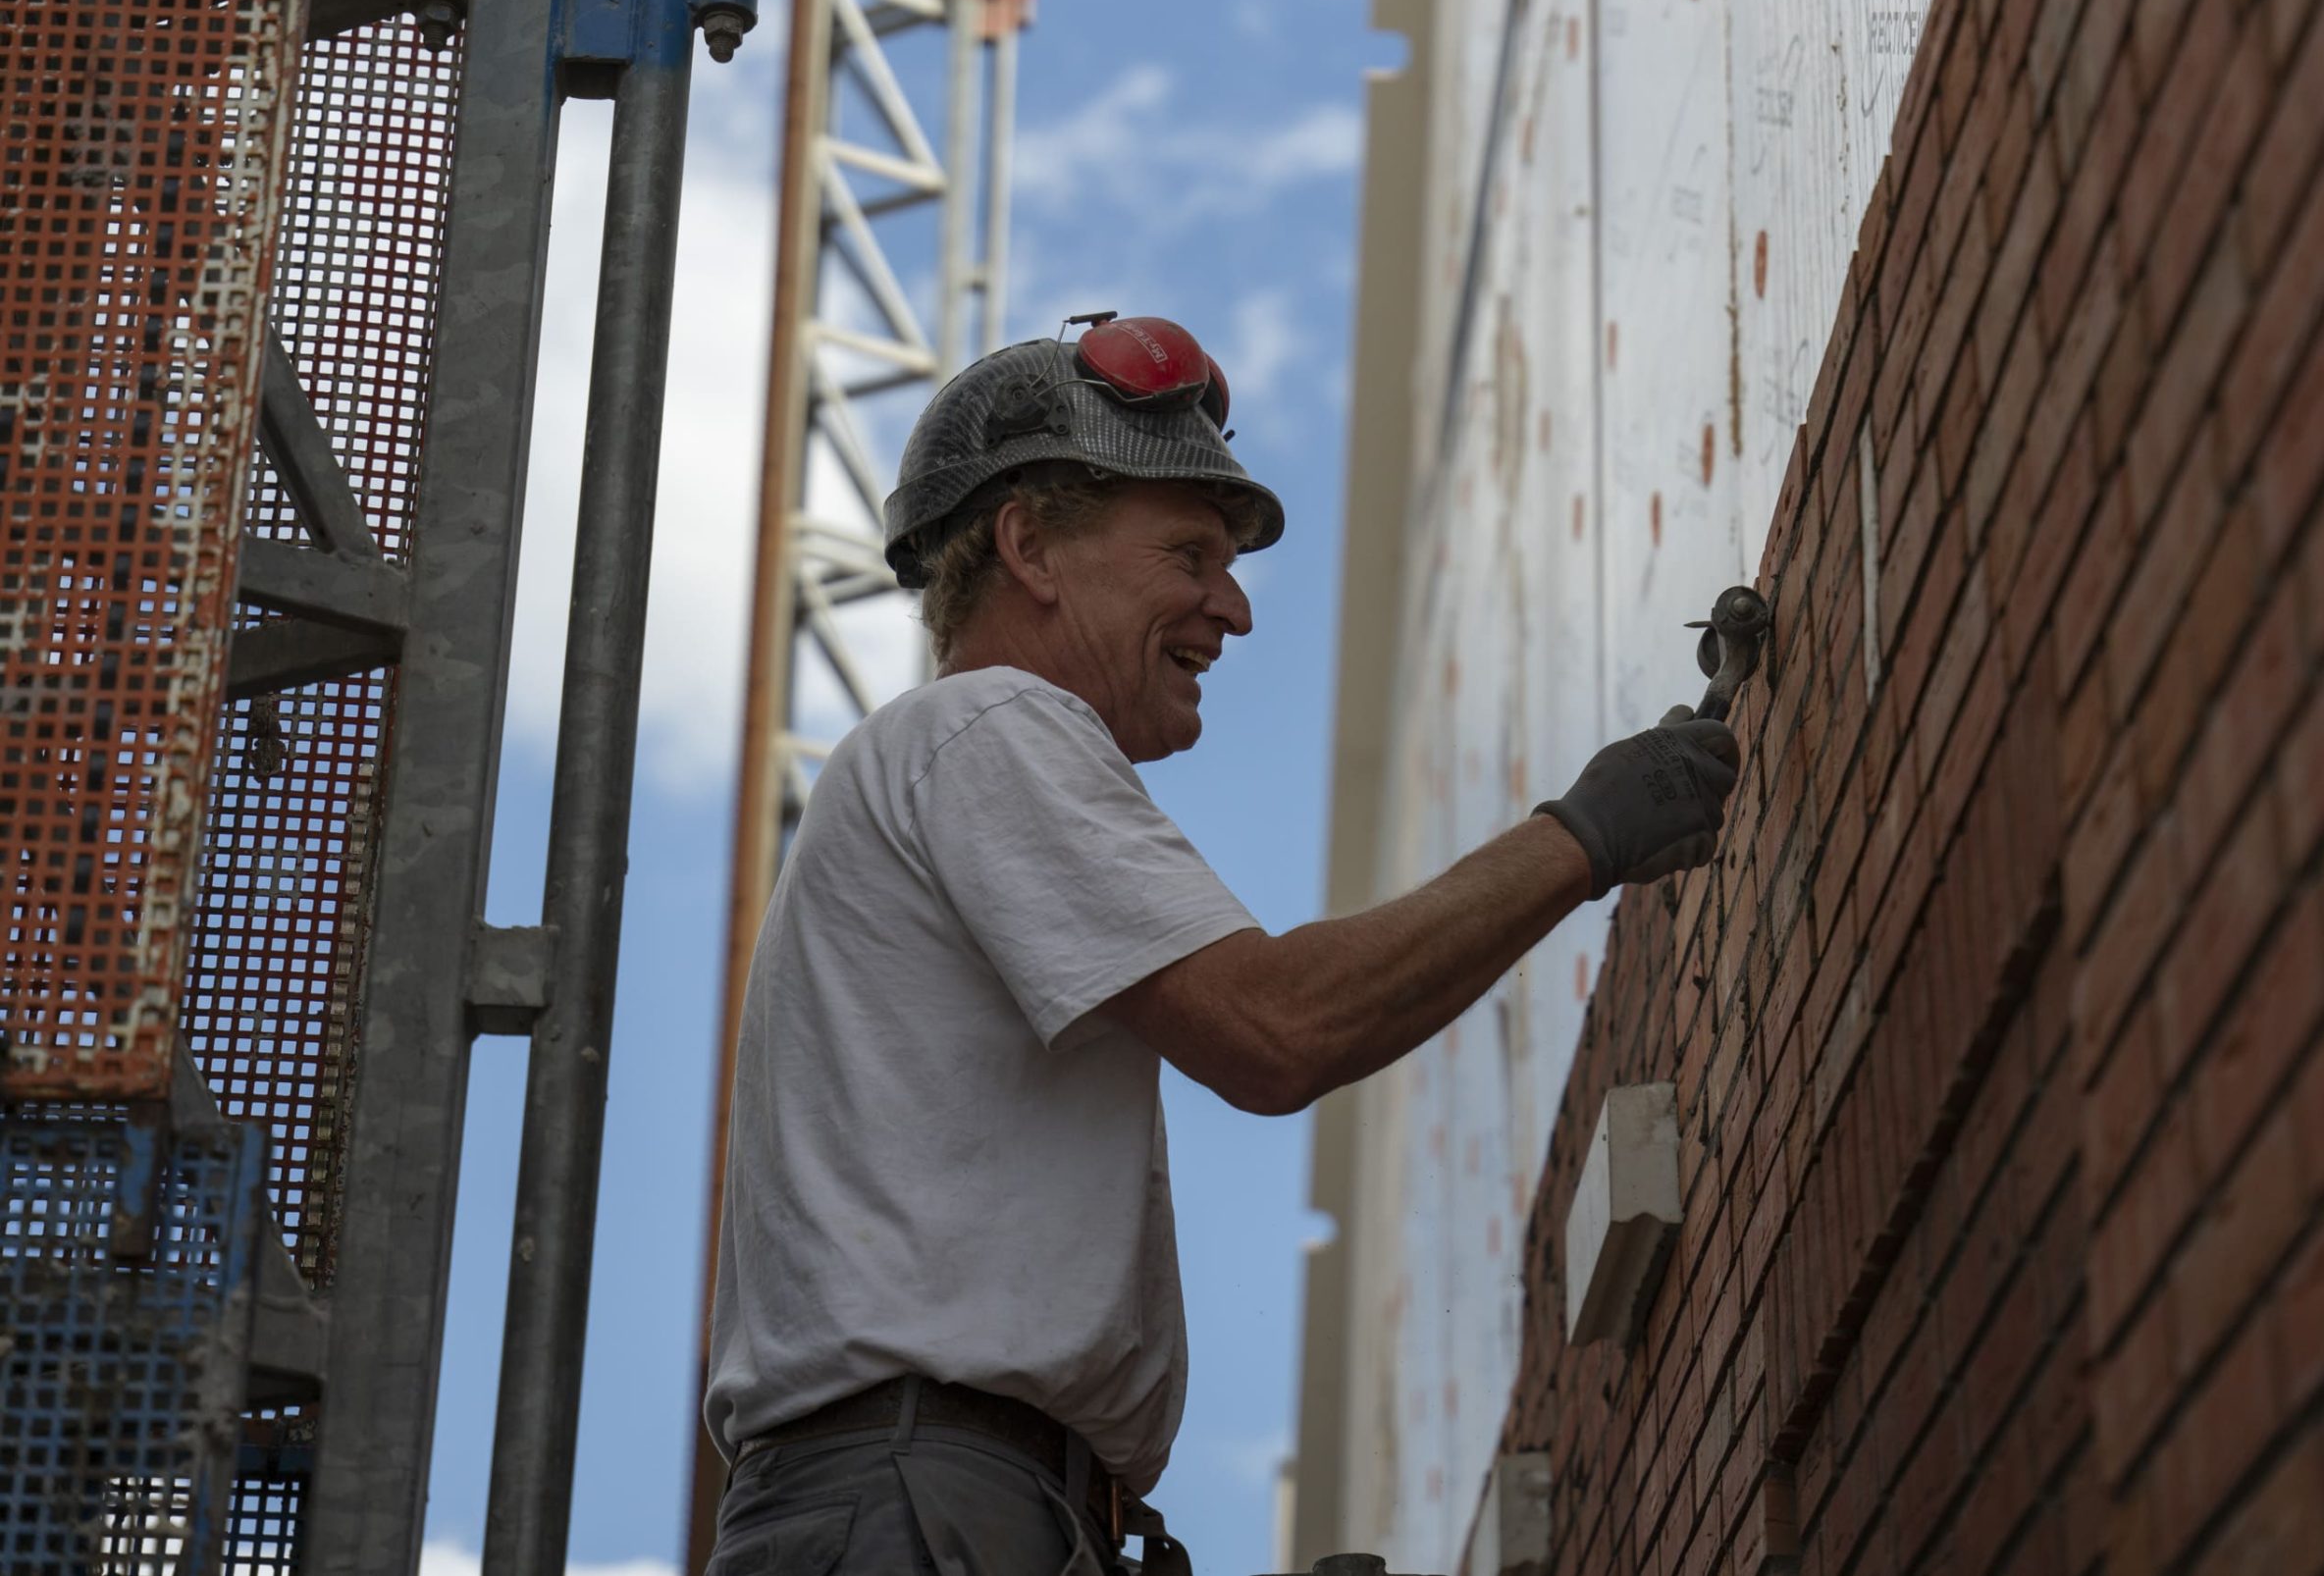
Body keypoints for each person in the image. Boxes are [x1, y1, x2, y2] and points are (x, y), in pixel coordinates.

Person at [702, 315, 1740, 1575]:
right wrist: (1585, 836)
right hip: (925, 1506)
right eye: (1188, 554)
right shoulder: (985, 726)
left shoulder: (939, 761)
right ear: (1029, 546)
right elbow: (1276, 1028)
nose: (1233, 609)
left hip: (956, 1501)